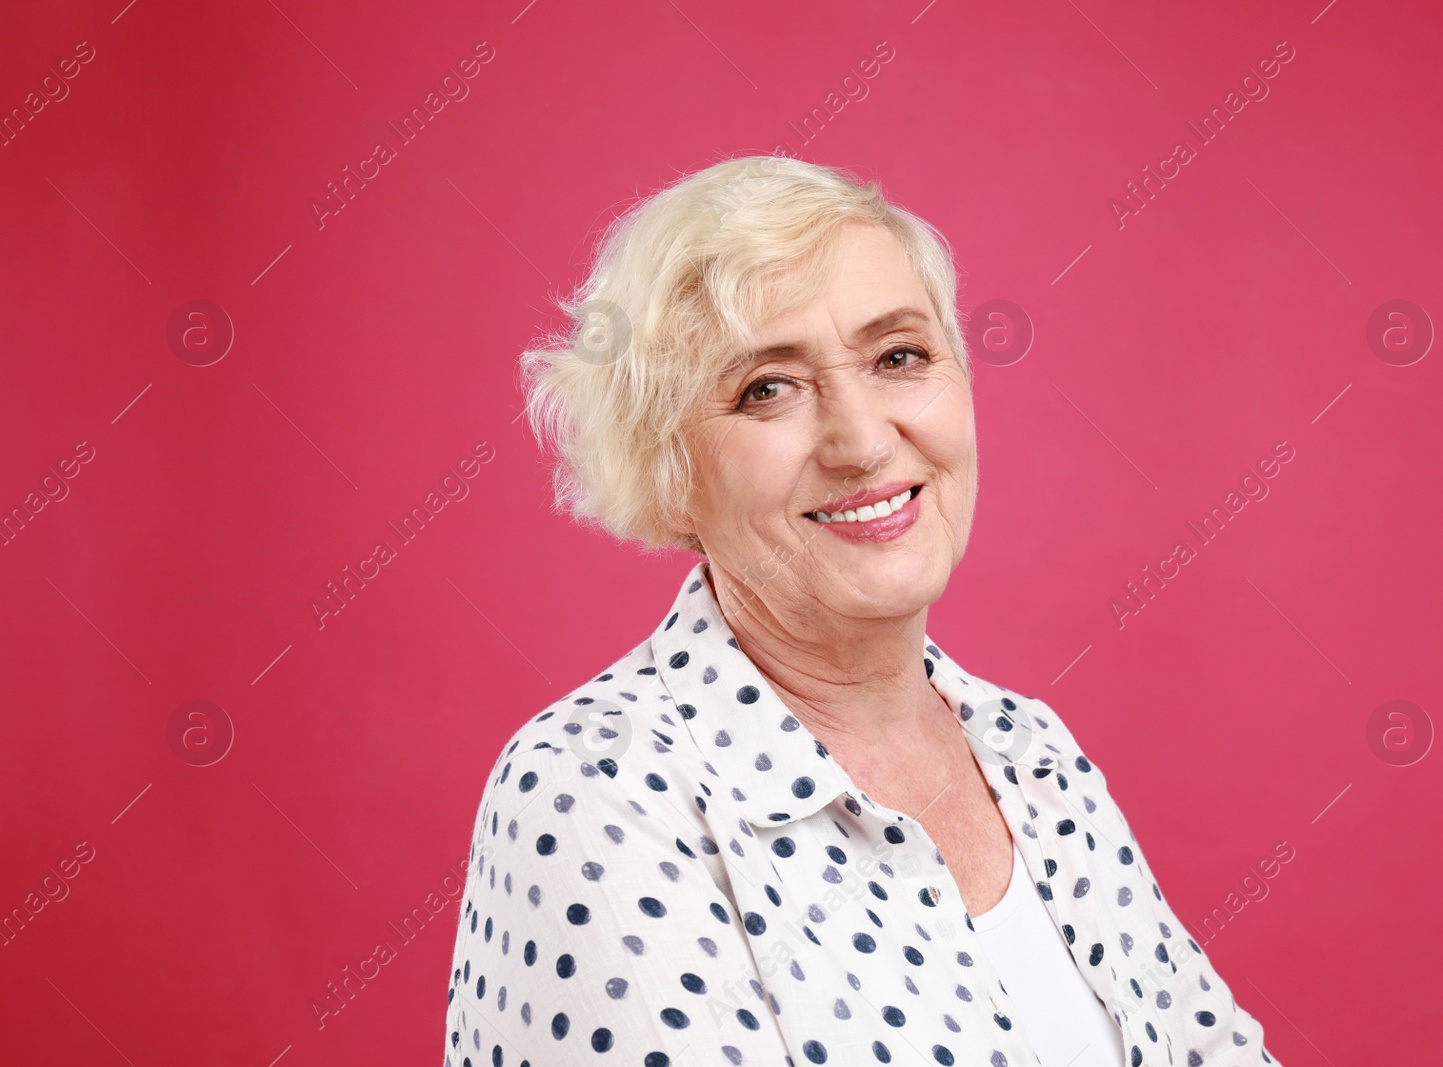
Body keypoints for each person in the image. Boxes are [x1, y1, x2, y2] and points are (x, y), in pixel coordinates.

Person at [442, 154, 1278, 1067]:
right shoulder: (595, 789)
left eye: (898, 356)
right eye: (768, 387)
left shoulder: (1033, 754)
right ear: (669, 472)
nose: (864, 438)